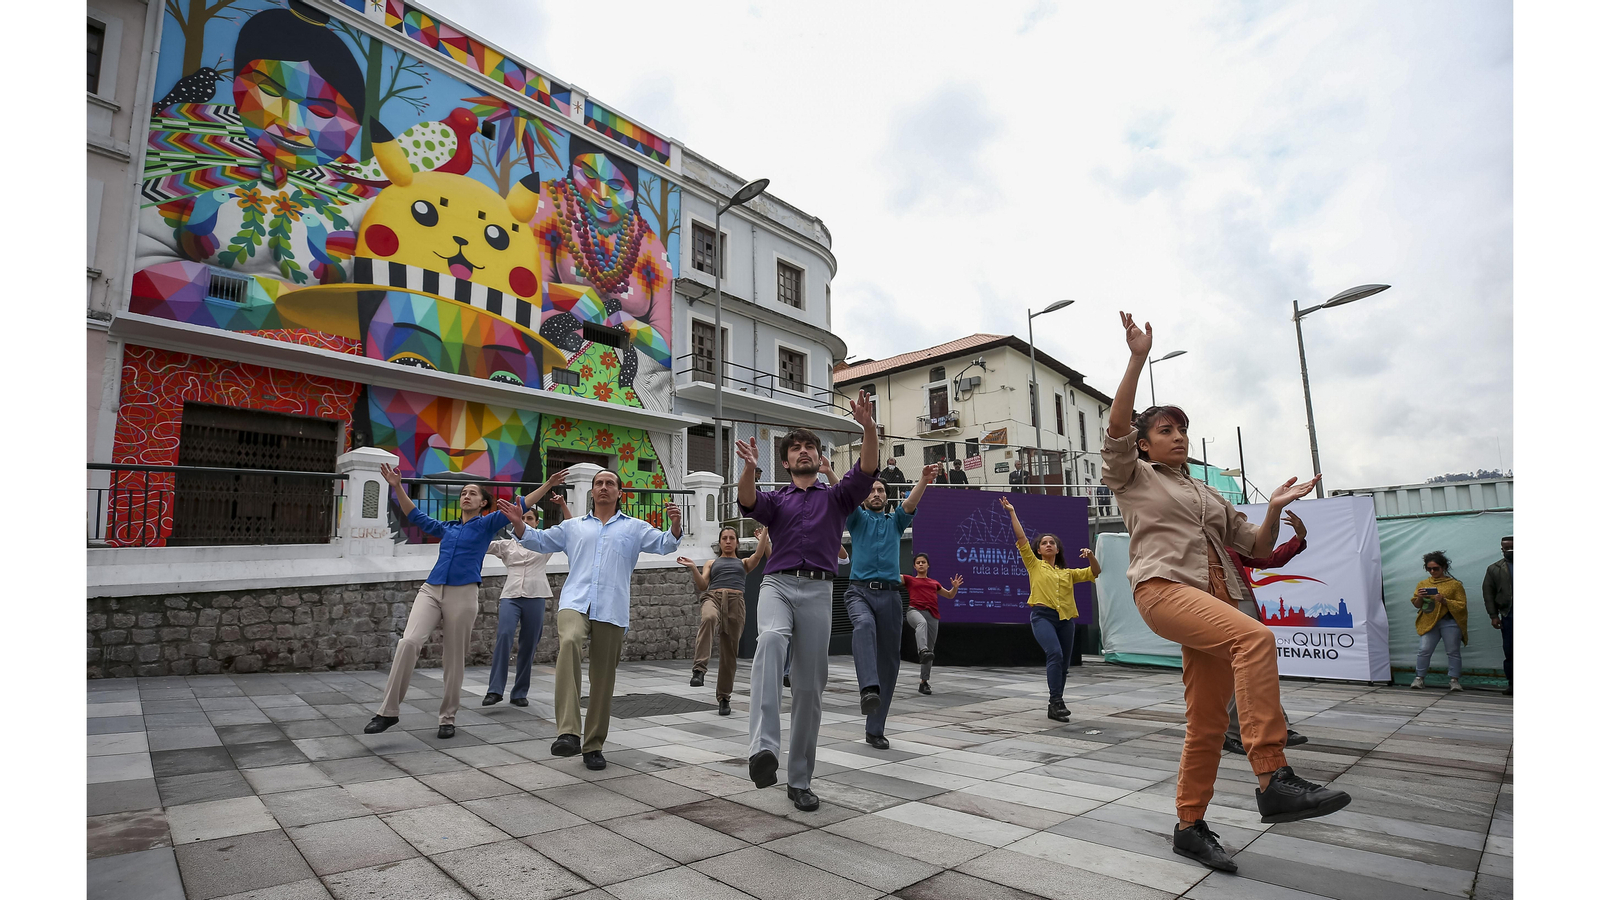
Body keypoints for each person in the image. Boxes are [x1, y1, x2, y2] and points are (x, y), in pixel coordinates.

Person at [1104, 311, 1350, 873]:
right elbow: (1117, 427)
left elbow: (1257, 549)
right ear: (1144, 445)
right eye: (1165, 430)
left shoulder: (1208, 492)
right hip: (1164, 591)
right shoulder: (1133, 477)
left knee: (1208, 723)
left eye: (1182, 428)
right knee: (1257, 640)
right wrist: (1138, 358)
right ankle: (1273, 776)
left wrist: (1274, 510)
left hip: (1215, 602)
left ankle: (1189, 825)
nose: (1179, 436)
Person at [738, 391, 878, 812]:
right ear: (785, 461)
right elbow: (748, 500)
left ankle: (799, 779)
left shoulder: (837, 497)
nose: (803, 452)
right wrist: (749, 469)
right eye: (796, 448)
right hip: (777, 584)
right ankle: (763, 749)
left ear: (820, 458)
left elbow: (867, 468)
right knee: (771, 640)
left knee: (808, 689)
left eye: (810, 447)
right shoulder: (776, 499)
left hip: (819, 590)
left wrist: (868, 427)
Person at [510, 470, 682, 770]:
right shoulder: (573, 526)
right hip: (575, 601)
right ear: (591, 492)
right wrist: (518, 524)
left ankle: (593, 745)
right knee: (570, 641)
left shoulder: (635, 528)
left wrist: (676, 524)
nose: (603, 487)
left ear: (619, 493)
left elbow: (666, 543)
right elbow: (538, 540)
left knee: (603, 679)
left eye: (610, 484)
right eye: (598, 483)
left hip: (612, 607)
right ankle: (567, 732)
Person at [366, 469, 511, 739]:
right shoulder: (448, 527)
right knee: (408, 642)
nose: (466, 495)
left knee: (453, 659)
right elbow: (415, 515)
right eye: (464, 492)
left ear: (483, 503)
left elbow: (522, 505)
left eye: (473, 493)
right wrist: (397, 486)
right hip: (432, 589)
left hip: (463, 593)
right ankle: (388, 712)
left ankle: (448, 718)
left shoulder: (486, 524)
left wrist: (548, 484)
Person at [845, 464, 939, 749]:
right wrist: (828, 472)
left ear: (887, 497)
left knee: (890, 663)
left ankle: (875, 729)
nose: (876, 493)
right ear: (863, 497)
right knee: (863, 625)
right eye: (872, 490)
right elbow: (844, 495)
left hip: (890, 597)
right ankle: (868, 688)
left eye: (881, 490)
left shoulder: (895, 522)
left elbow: (910, 502)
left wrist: (923, 479)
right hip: (859, 592)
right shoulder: (857, 519)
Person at [1000, 496, 1099, 722]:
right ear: (1039, 549)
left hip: (1065, 620)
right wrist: (1012, 512)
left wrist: (1091, 556)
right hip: (1042, 616)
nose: (1047, 544)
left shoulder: (1068, 573)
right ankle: (1056, 702)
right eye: (1044, 543)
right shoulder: (1034, 565)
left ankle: (1055, 705)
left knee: (1063, 663)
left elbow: (1094, 572)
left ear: (1057, 549)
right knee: (1054, 653)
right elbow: (1021, 538)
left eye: (1051, 543)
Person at [1222, 509, 1311, 755]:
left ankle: (1274, 727)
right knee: (1238, 669)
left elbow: (1268, 559)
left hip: (1241, 606)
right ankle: (1232, 731)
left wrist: (1297, 538)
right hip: (1216, 610)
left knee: (1258, 667)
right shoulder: (1189, 543)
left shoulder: (1227, 545)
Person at [481, 475, 572, 708]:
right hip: (511, 596)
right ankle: (495, 689)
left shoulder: (545, 542)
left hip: (536, 596)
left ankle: (520, 692)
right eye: (522, 517)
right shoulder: (505, 545)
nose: (525, 520)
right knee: (504, 636)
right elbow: (478, 542)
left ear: (536, 522)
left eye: (529, 518)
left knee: (528, 644)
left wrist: (562, 505)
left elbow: (572, 531)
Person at [679, 526, 770, 715]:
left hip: (735, 603)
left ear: (737, 543)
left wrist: (765, 533)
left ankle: (724, 698)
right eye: (724, 538)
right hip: (713, 597)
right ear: (720, 542)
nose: (728, 541)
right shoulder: (711, 563)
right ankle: (699, 670)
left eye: (731, 538)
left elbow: (759, 554)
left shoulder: (743, 563)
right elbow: (703, 584)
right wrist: (694, 568)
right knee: (709, 617)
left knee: (729, 653)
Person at [903, 553, 962, 695]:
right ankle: (922, 650)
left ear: (928, 565)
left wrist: (954, 587)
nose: (921, 564)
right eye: (918, 562)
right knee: (921, 624)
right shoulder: (909, 580)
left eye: (923, 562)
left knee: (930, 650)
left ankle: (924, 682)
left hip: (933, 616)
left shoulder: (934, 583)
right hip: (914, 611)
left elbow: (949, 595)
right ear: (914, 566)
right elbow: (893, 576)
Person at [1410, 551, 1469, 692]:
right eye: (1429, 568)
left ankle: (1454, 680)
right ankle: (1419, 678)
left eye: (1435, 568)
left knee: (1453, 651)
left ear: (1443, 567)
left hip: (1449, 621)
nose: (1432, 571)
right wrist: (1419, 597)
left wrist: (1444, 600)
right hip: (1428, 621)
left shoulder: (1455, 584)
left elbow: (1461, 604)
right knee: (1424, 650)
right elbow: (1417, 604)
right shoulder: (1423, 584)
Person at [1482, 536, 1512, 696]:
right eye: (1506, 548)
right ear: (1502, 549)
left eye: (1512, 547)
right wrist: (1493, 615)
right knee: (1511, 652)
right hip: (1509, 615)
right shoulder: (1494, 568)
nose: (1509, 550)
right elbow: (1488, 593)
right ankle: (1513, 684)